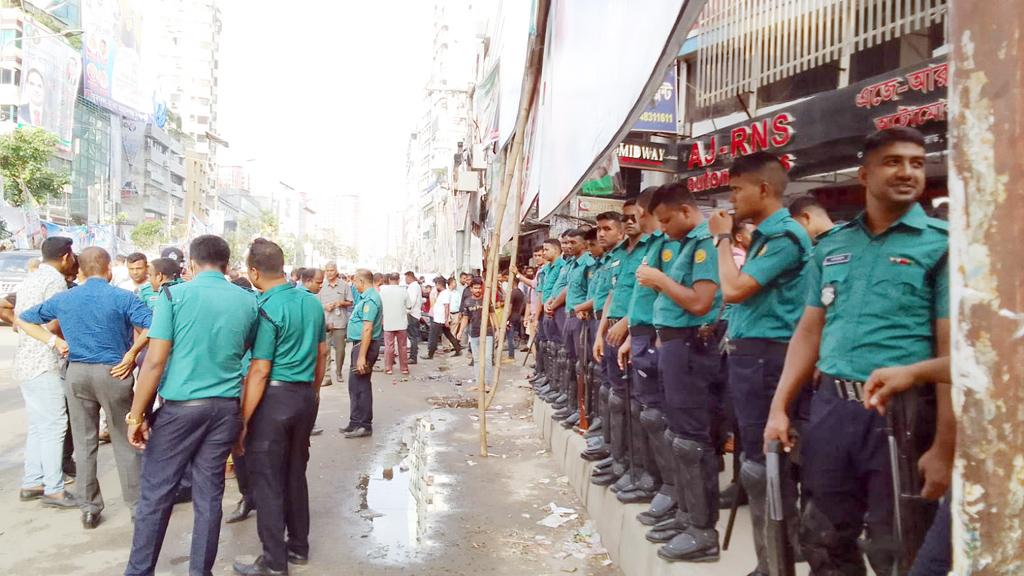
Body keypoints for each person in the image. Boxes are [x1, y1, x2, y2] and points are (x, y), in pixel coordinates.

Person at [763, 127, 952, 575]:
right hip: (831, 410)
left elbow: (951, 351)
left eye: (916, 163)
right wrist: (779, 408)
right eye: (893, 162)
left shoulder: (943, 245)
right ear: (864, 174)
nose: (907, 172)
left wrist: (945, 445)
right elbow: (810, 331)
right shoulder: (833, 246)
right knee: (824, 536)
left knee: (896, 545)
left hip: (903, 415)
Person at [124, 235, 259, 576]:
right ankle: (201, 572)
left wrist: (136, 415)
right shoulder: (247, 301)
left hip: (181, 410)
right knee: (209, 495)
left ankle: (139, 571)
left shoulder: (174, 294)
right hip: (225, 409)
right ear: (227, 265)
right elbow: (244, 353)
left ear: (193, 264)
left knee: (156, 493)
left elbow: (154, 362)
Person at [707, 152, 812, 574]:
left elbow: (733, 291)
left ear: (763, 189)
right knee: (758, 463)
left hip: (769, 356)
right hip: (755, 354)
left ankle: (775, 565)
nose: (731, 199)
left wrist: (719, 240)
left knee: (765, 465)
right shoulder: (768, 236)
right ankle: (773, 558)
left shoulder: (785, 235)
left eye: (736, 189)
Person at [18, 247, 153, 529]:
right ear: (109, 270)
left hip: (77, 374)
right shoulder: (123, 297)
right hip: (114, 372)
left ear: (79, 270)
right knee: (124, 439)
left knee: (84, 441)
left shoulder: (65, 298)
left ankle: (89, 508)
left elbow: (24, 319)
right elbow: (156, 326)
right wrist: (132, 354)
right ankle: (137, 507)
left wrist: (53, 342)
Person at [636, 183, 725, 561]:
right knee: (677, 435)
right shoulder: (682, 243)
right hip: (672, 343)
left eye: (669, 220)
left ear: (687, 211)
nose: (665, 228)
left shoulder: (704, 245)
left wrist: (660, 280)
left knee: (691, 441)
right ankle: (686, 515)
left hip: (691, 344)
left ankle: (703, 531)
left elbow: (701, 301)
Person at [233, 239, 328, 576]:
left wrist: (243, 420)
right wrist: (312, 394)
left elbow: (259, 369)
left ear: (254, 272)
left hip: (273, 399)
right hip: (303, 396)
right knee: (294, 474)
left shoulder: (265, 308)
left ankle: (274, 562)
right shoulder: (311, 302)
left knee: (268, 481)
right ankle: (298, 547)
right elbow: (322, 354)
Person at [12, 237, 76, 507]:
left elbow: (17, 322)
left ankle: (33, 480)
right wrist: (58, 341)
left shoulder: (31, 279)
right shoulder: (55, 282)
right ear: (65, 257)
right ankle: (54, 487)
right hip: (44, 360)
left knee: (40, 425)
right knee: (54, 425)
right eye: (72, 256)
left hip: (26, 361)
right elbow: (51, 324)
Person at [551, 228, 594, 428]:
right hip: (569, 315)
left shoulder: (589, 263)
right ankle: (571, 405)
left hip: (581, 319)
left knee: (582, 365)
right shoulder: (572, 264)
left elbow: (593, 293)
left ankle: (583, 410)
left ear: (584, 243)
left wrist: (582, 309)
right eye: (565, 243)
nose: (568, 246)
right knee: (569, 361)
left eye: (572, 242)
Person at [341, 269, 383, 439]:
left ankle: (364, 425)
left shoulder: (371, 299)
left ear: (361, 281)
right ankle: (355, 422)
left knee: (361, 385)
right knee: (355, 385)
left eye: (354, 282)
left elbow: (367, 328)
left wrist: (361, 356)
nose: (353, 285)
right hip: (360, 344)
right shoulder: (366, 297)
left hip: (364, 345)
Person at [456, 276, 496, 383]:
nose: (477, 290)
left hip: (487, 332)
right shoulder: (467, 302)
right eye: (475, 288)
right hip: (474, 333)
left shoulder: (487, 300)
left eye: (479, 288)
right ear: (471, 289)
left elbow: (492, 314)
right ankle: (479, 383)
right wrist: (460, 331)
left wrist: (497, 329)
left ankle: (487, 383)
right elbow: (465, 318)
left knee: (487, 358)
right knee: (477, 359)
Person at [319, 262, 353, 384]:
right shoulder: (321, 285)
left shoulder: (344, 285)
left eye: (331, 270)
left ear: (336, 271)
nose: (329, 273)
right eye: (327, 270)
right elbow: (316, 303)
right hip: (325, 322)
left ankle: (338, 372)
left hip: (340, 322)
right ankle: (326, 375)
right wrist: (325, 306)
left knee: (340, 349)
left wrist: (341, 303)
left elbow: (350, 302)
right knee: (325, 350)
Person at [380, 273, 412, 375]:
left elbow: (379, 306)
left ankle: (388, 368)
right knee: (402, 346)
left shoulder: (383, 291)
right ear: (399, 280)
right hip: (401, 323)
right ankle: (404, 368)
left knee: (389, 346)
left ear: (389, 280)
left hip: (388, 323)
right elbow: (409, 305)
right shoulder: (403, 291)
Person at [423, 276, 461, 360]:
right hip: (440, 317)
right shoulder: (444, 293)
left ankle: (430, 353)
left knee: (433, 336)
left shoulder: (445, 293)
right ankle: (458, 348)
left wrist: (446, 319)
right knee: (448, 334)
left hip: (440, 319)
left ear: (439, 284)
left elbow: (447, 306)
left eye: (436, 284)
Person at [403, 271, 423, 364]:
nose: (405, 280)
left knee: (413, 337)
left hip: (412, 314)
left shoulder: (414, 286)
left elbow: (412, 300)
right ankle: (412, 356)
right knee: (412, 336)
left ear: (410, 277)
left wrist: (407, 310)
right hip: (413, 313)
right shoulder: (414, 286)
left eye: (406, 278)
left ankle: (413, 357)